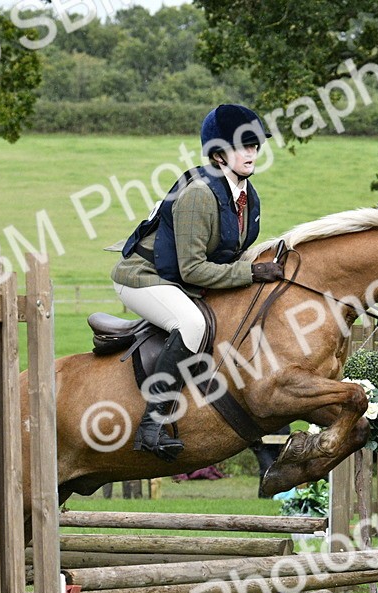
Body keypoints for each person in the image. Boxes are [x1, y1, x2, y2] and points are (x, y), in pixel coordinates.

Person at [111, 103, 286, 461]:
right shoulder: (198, 195)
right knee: (191, 323)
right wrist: (251, 273)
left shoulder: (246, 196)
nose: (251, 152)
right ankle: (151, 426)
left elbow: (231, 256)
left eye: (255, 145)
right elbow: (193, 270)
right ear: (219, 153)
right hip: (143, 278)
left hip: (180, 280)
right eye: (243, 145)